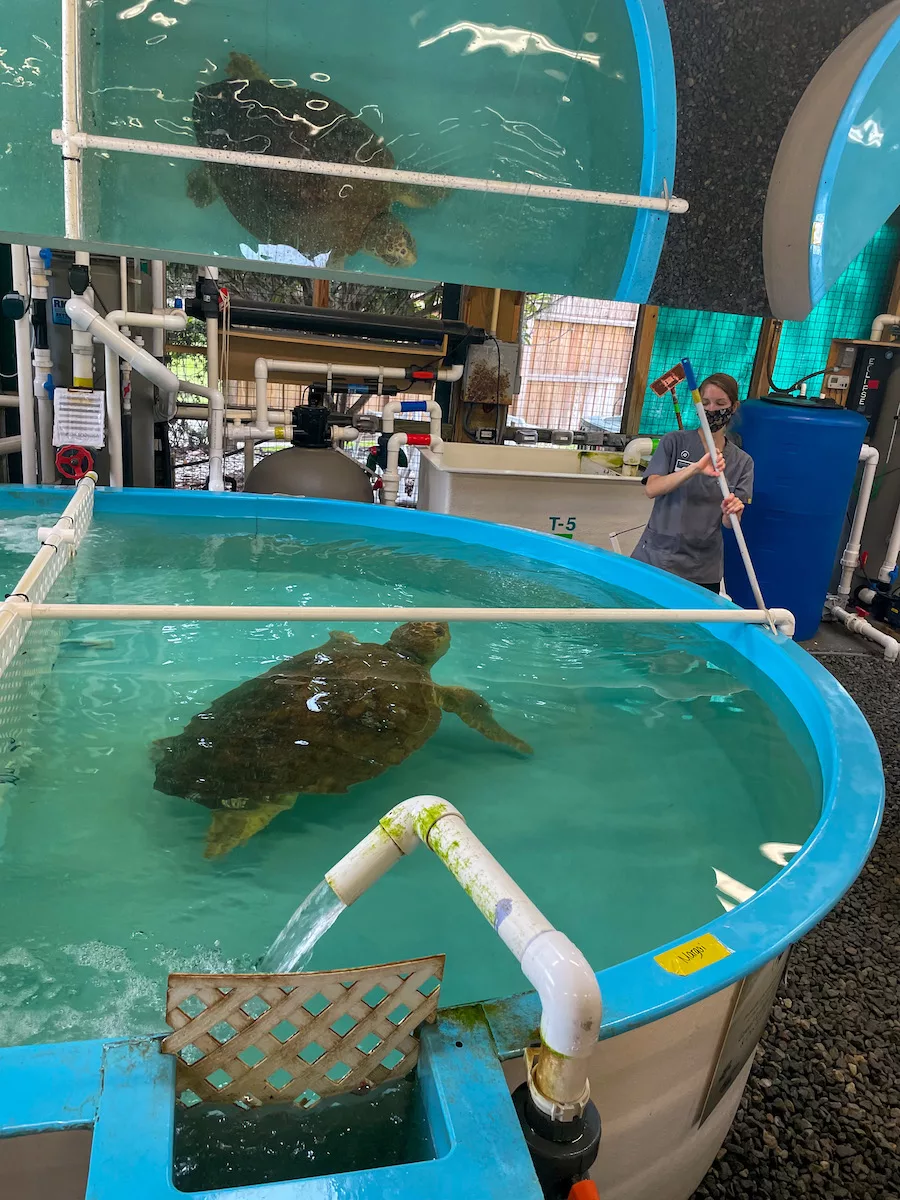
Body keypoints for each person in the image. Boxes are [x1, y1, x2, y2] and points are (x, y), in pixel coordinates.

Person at [631, 373, 753, 592]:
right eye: (705, 403)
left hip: (702, 568)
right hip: (657, 558)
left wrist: (731, 511)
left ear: (733, 407)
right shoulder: (674, 441)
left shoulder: (742, 462)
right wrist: (695, 468)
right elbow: (652, 488)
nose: (712, 409)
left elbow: (729, 523)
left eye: (720, 403)